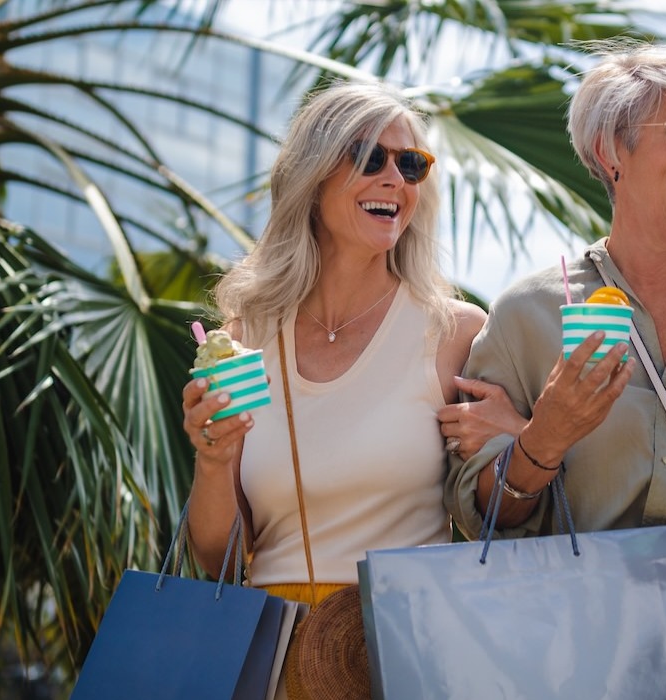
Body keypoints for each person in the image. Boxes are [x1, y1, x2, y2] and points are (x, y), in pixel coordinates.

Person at [441, 41, 666, 700]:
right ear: (613, 151)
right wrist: (541, 439)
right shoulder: (531, 313)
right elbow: (478, 513)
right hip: (578, 649)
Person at [181, 82, 487, 613]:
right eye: (370, 158)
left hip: (407, 650)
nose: (394, 179)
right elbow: (221, 562)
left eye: (411, 164)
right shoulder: (243, 340)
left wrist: (524, 435)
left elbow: (496, 508)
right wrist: (213, 462)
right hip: (278, 660)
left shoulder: (453, 333)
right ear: (313, 177)